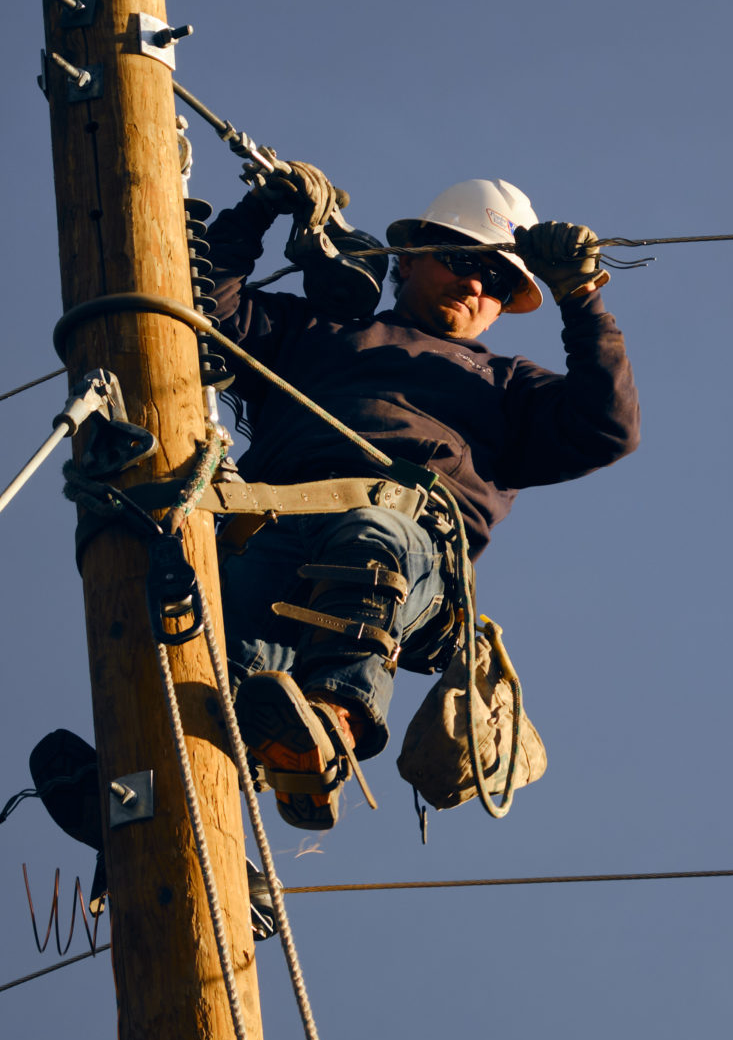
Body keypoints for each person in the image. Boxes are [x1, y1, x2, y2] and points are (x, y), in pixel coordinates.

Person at [195, 169, 640, 829]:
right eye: (464, 261)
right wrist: (256, 210)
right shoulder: (318, 334)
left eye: (499, 281)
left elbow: (607, 424)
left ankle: (335, 722)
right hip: (272, 532)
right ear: (407, 259)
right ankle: (152, 795)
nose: (475, 284)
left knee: (374, 535)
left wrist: (579, 296)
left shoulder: (506, 386)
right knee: (204, 648)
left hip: (403, 560)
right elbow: (200, 309)